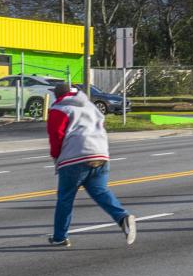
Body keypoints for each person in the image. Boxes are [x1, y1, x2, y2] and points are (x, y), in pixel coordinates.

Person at [46, 81, 135, 247]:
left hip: (75, 158)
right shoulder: (90, 106)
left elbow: (56, 135)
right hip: (100, 153)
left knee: (65, 198)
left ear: (57, 95)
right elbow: (102, 125)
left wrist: (56, 157)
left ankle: (60, 237)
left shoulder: (59, 109)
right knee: (101, 192)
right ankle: (122, 217)